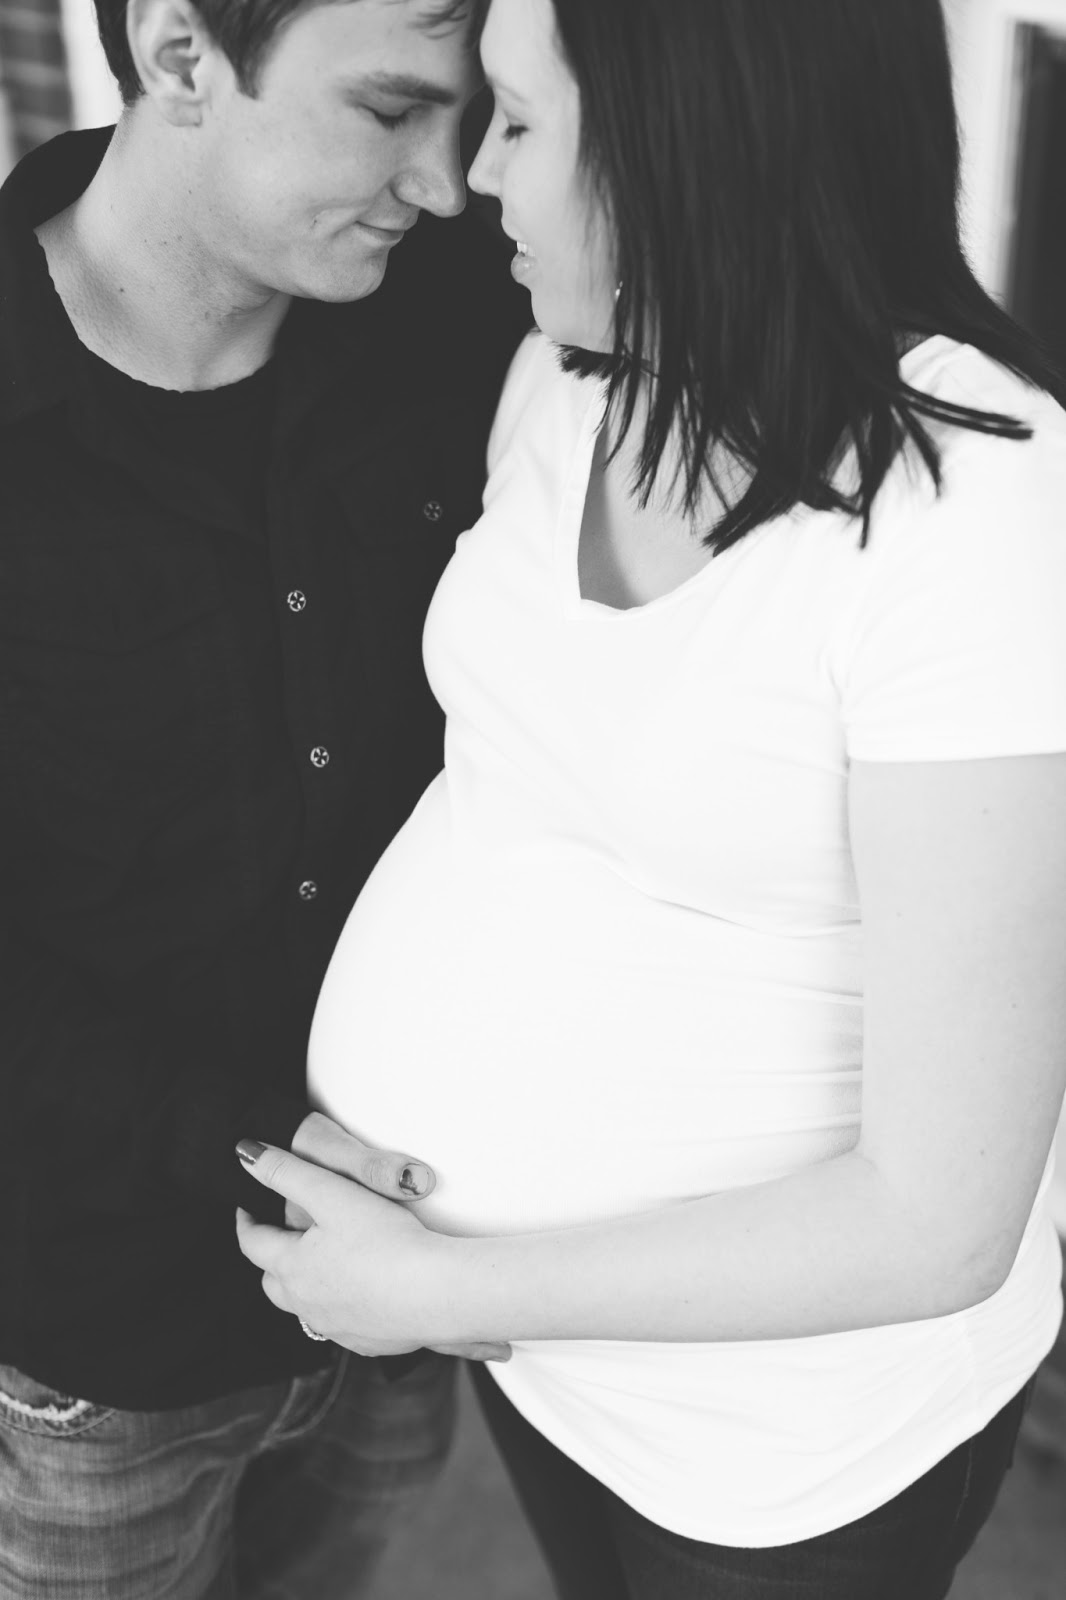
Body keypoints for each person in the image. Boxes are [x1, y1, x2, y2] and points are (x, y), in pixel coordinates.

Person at [237, 0, 1066, 1596]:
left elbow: (936, 1220)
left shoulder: (977, 499)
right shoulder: (566, 381)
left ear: (686, 147)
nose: (473, 178)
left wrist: (431, 1290)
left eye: (518, 123)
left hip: (776, 1450)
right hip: (545, 1364)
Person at [0, 1, 528, 1597]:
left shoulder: (464, 308)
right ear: (179, 54)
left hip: (413, 1302)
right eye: (387, 111)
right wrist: (260, 1148)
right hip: (98, 1347)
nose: (443, 182)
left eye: (469, 118)